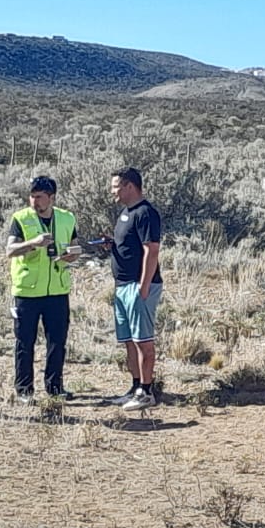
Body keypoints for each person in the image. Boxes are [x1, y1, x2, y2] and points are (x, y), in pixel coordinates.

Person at [6, 176, 78, 403]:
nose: (34, 201)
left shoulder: (67, 218)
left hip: (57, 290)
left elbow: (76, 246)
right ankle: (24, 390)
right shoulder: (20, 218)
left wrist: (71, 255)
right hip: (27, 292)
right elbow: (10, 250)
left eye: (39, 197)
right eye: (32, 196)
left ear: (52, 197)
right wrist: (33, 243)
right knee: (24, 343)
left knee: (57, 342)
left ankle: (55, 388)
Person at [104, 166, 162, 410]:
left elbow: (151, 250)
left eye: (116, 186)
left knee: (143, 342)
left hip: (138, 287)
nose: (113, 191)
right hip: (122, 285)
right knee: (129, 340)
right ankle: (135, 386)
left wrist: (144, 285)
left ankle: (147, 392)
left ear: (130, 186)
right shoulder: (126, 213)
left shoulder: (146, 213)